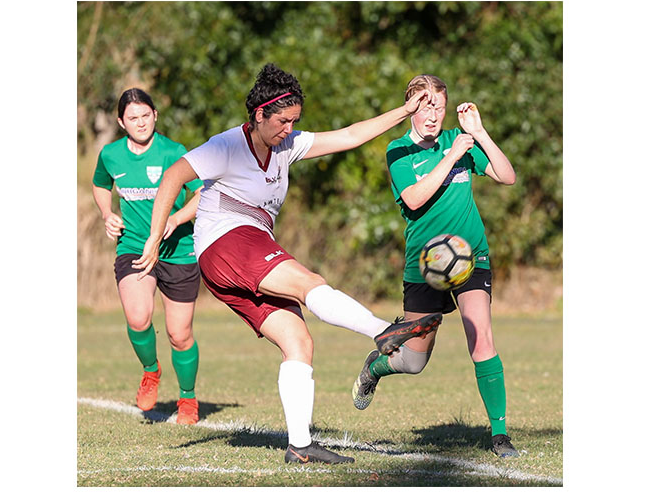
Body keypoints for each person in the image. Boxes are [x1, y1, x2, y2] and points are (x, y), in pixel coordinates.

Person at [132, 64, 442, 464]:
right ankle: (383, 332)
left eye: (295, 121)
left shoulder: (286, 144)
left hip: (240, 253)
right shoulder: (226, 145)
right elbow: (174, 175)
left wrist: (404, 111)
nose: (289, 129)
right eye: (283, 121)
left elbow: (349, 136)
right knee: (308, 282)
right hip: (227, 242)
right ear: (259, 114)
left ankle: (300, 446)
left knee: (298, 340)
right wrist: (155, 236)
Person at [350, 74, 520, 458]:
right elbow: (414, 199)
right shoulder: (398, 151)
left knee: (482, 339)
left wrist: (480, 133)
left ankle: (499, 434)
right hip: (425, 266)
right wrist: (451, 157)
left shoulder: (458, 140)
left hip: (470, 257)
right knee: (413, 362)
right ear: (411, 107)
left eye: (439, 108)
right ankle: (374, 369)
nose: (433, 116)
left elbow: (507, 177)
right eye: (425, 108)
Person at [92, 88, 204, 425]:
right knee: (139, 317)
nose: (140, 123)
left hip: (177, 250)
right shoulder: (111, 155)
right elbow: (100, 185)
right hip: (134, 247)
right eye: (132, 118)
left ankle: (188, 399)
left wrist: (176, 218)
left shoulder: (174, 153)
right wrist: (107, 213)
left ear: (155, 115)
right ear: (121, 122)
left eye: (145, 115)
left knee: (179, 334)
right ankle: (151, 370)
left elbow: (203, 194)